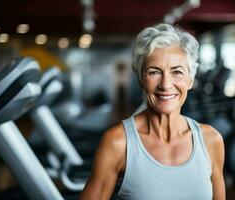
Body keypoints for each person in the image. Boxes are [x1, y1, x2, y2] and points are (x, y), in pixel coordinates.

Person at [80, 23, 225, 200]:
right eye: (154, 72)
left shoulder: (211, 140)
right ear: (141, 79)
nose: (165, 84)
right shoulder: (118, 143)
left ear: (190, 79)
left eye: (177, 72)